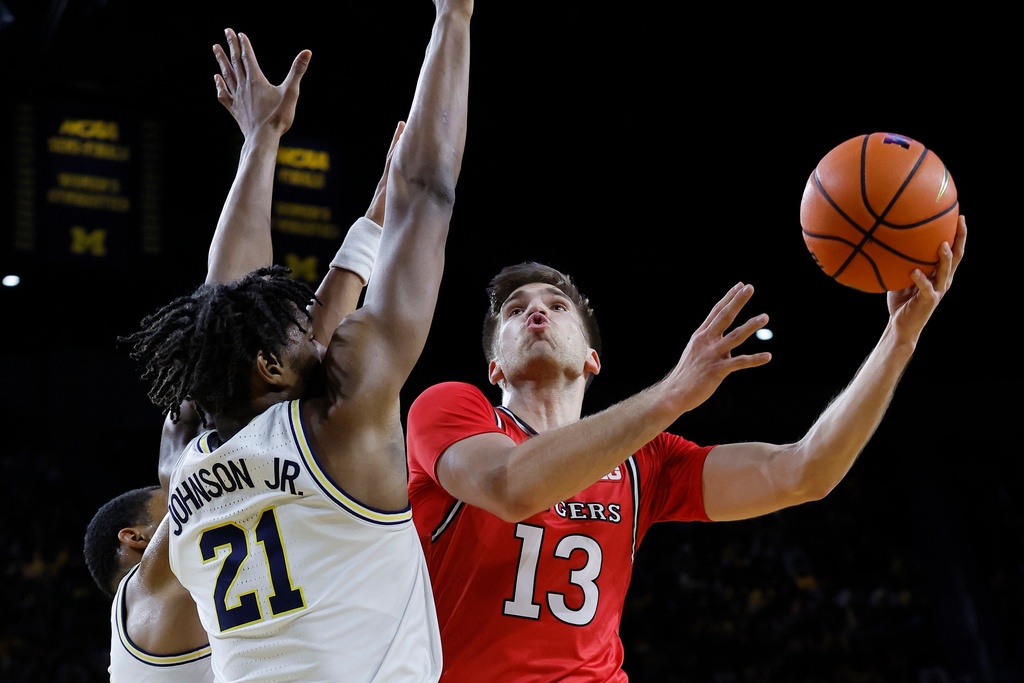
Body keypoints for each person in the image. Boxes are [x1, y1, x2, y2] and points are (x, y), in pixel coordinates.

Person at [405, 217, 967, 681]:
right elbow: (511, 486)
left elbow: (804, 471)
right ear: (494, 365)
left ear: (591, 359)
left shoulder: (645, 460)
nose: (536, 310)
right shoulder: (451, 408)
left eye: (558, 305)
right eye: (514, 309)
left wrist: (899, 340)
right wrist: (671, 394)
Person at [118, 1, 472, 680]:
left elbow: (222, 302)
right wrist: (452, 16)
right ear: (269, 364)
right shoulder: (338, 426)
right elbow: (426, 192)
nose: (321, 326)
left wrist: (261, 142)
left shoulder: (182, 463)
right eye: (305, 327)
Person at [83, 27, 392, 681]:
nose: (197, 478)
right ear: (135, 539)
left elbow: (256, 347)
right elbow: (237, 345)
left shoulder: (212, 562)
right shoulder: (149, 603)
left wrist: (366, 229)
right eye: (166, 499)